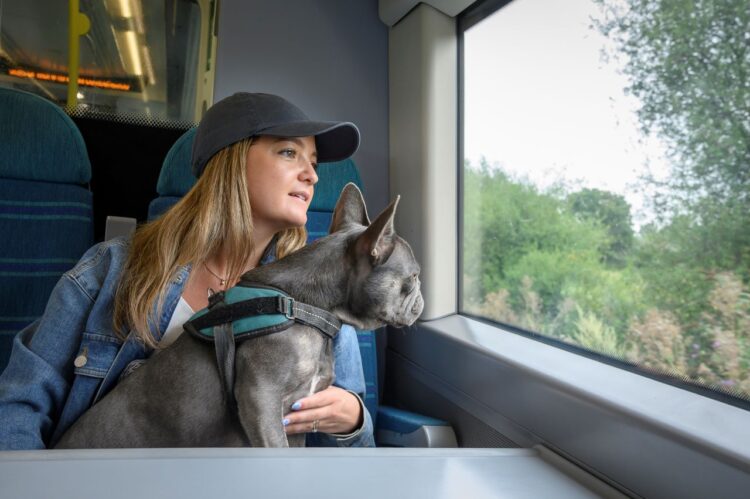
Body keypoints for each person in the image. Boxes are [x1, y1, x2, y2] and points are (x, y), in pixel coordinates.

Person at [0, 92, 374, 449]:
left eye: (314, 161)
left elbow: (353, 454)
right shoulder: (111, 270)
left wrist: (352, 419)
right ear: (230, 161)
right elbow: (20, 403)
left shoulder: (321, 294)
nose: (312, 175)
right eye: (290, 152)